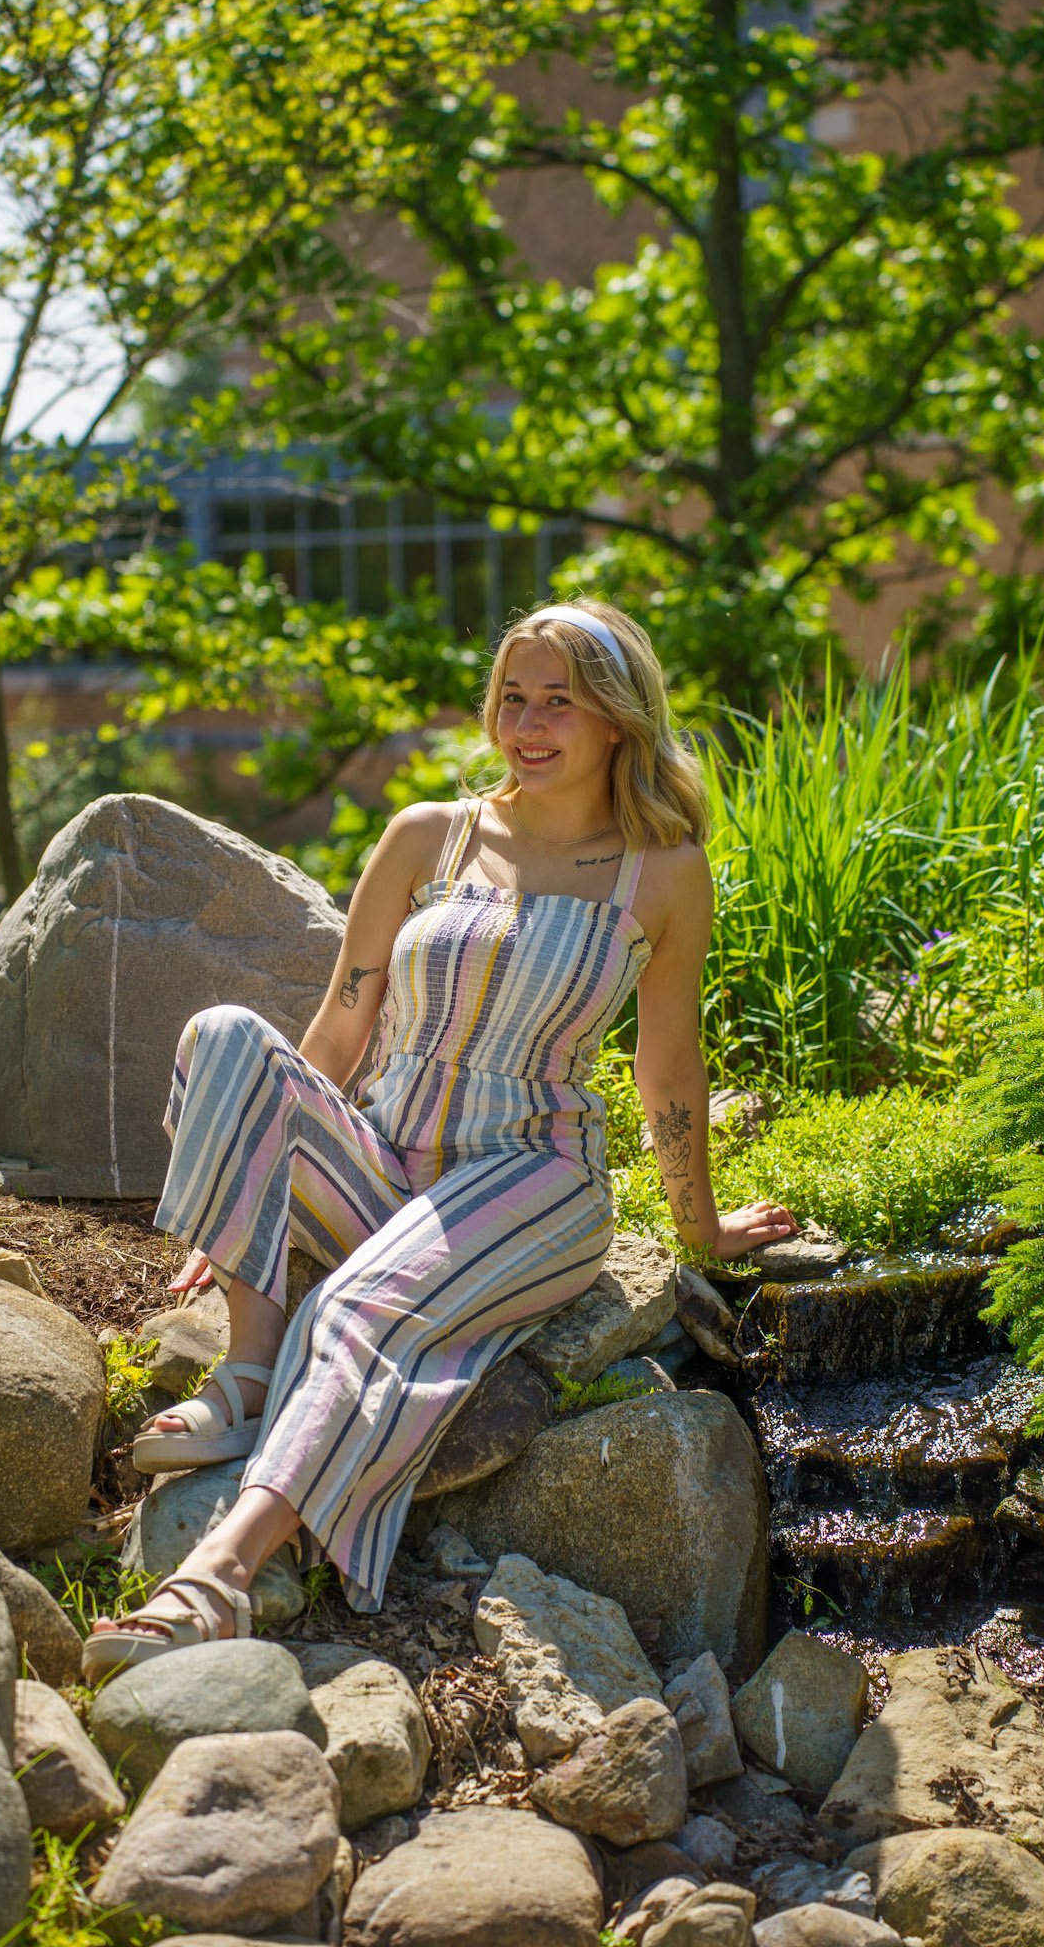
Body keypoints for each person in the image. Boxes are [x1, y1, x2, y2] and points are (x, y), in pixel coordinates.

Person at [82, 598, 795, 1680]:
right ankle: (251, 1369)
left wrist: (700, 1226)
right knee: (223, 1033)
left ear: (617, 718)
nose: (527, 723)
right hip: (387, 1157)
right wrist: (251, 1178)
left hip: (533, 1176)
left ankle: (217, 1576)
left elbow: (667, 1066)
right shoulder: (429, 833)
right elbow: (341, 1021)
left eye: (559, 701)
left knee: (353, 1307)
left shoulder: (660, 870)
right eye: (512, 697)